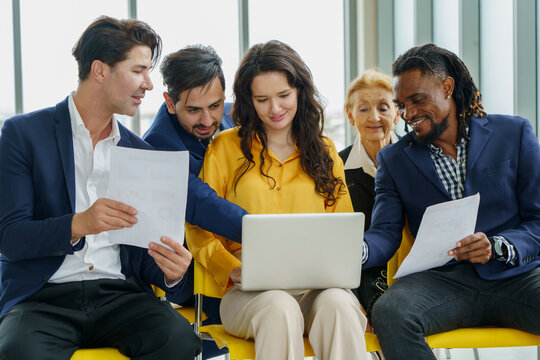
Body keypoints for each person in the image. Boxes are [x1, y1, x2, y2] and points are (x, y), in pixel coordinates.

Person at [0, 16, 244, 360]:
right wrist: (79, 224)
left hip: (120, 296)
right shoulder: (23, 135)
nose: (147, 83)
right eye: (138, 70)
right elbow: (11, 238)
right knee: (19, 352)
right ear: (100, 71)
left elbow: (145, 260)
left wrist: (172, 273)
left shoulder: (139, 151)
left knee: (179, 342)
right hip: (42, 298)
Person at [185, 40, 368, 360]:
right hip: (248, 293)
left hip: (317, 290)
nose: (275, 109)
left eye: (283, 96)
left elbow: (344, 228)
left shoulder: (325, 152)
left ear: (299, 91)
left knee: (339, 306)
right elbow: (198, 226)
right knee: (280, 308)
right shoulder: (224, 148)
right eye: (262, 99)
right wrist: (231, 269)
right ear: (248, 100)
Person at [361, 43, 540, 360]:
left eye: (418, 100)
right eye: (402, 105)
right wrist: (359, 249)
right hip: (440, 283)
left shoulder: (514, 133)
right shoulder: (394, 160)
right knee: (390, 310)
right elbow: (384, 233)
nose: (409, 114)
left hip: (516, 276)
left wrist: (499, 245)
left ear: (447, 87)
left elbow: (537, 221)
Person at [143, 45, 234, 359]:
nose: (208, 119)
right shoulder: (157, 146)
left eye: (215, 105)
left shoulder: (236, 116)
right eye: (193, 110)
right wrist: (267, 230)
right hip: (188, 270)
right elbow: (203, 204)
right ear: (170, 102)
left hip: (236, 248)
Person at [339, 69, 399, 319]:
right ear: (350, 115)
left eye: (384, 107)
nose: (374, 117)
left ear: (397, 114)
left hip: (409, 269)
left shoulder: (417, 160)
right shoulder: (335, 168)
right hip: (357, 273)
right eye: (363, 109)